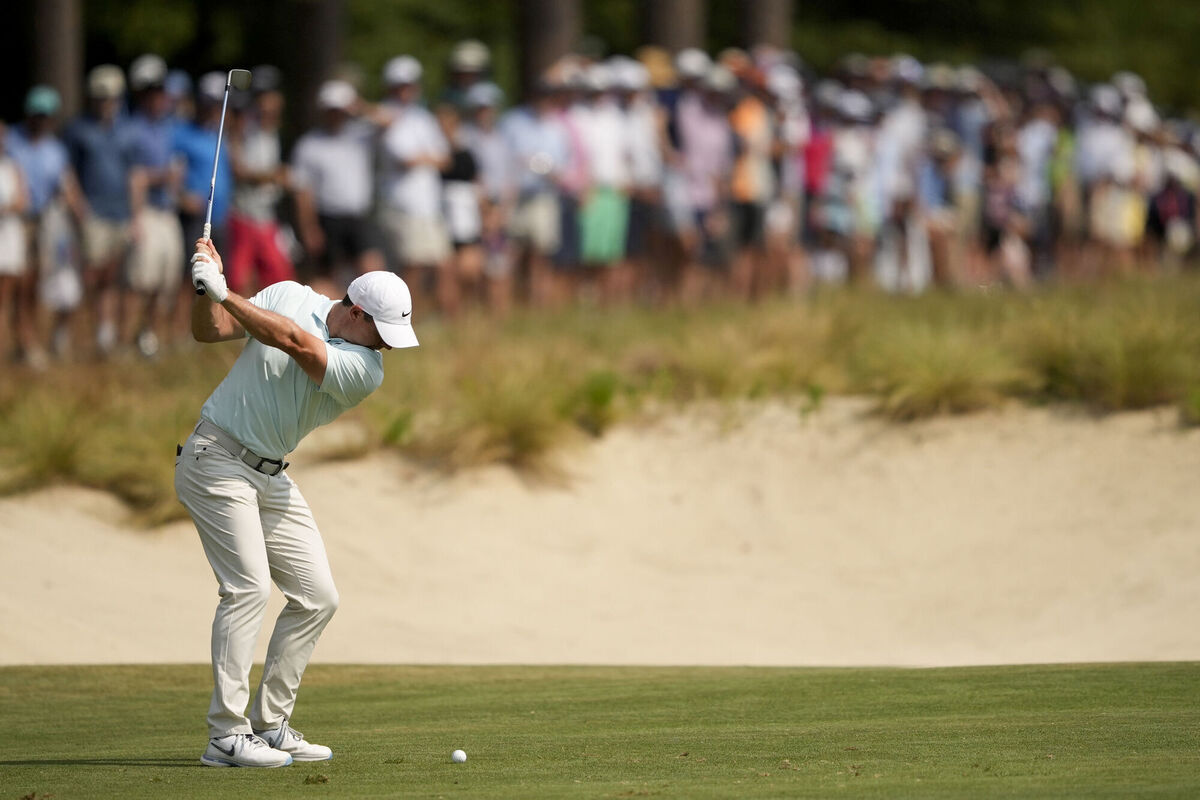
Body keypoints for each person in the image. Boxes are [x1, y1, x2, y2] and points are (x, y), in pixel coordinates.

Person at [178, 236, 418, 768]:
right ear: (356, 313)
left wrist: (226, 291)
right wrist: (205, 291)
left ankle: (271, 723)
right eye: (383, 332)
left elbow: (297, 344)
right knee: (247, 588)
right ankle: (226, 736)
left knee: (318, 596)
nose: (388, 347)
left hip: (270, 476)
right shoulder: (287, 292)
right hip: (215, 457)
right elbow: (211, 330)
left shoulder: (366, 370)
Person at [64, 64, 138, 357]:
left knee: (111, 276)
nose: (107, 103)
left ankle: (104, 336)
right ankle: (73, 332)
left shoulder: (126, 130)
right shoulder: (78, 129)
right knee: (89, 275)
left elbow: (133, 174)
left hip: (120, 213)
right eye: (101, 97)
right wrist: (79, 207)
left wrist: (135, 214)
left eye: (112, 97)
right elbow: (67, 171)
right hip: (92, 212)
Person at [291, 79, 384, 294]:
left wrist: (360, 106)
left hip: (357, 216)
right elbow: (303, 192)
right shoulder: (309, 144)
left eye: (340, 109)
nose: (335, 114)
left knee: (373, 272)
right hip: (327, 217)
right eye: (331, 109)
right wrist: (309, 229)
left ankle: (371, 323)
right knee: (326, 278)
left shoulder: (361, 135)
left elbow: (389, 121)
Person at [126, 54, 185, 357]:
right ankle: (127, 338)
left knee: (165, 280)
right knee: (141, 280)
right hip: (145, 212)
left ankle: (149, 336)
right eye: (153, 91)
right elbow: (133, 177)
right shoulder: (132, 128)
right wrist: (134, 218)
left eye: (162, 91)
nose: (160, 97)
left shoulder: (168, 127)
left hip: (167, 211)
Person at [225, 66, 294, 296]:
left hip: (267, 217)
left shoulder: (272, 131)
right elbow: (238, 170)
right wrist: (272, 175)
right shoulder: (244, 128)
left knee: (280, 278)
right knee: (237, 280)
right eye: (262, 97)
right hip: (243, 215)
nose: (267, 102)